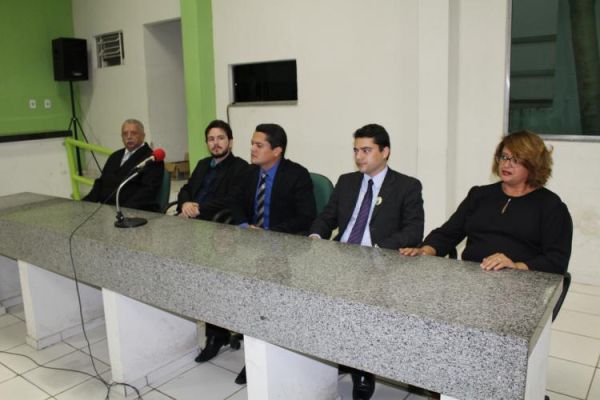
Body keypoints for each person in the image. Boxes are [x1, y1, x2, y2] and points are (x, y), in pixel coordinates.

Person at [309, 123, 424, 400]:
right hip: (342, 256)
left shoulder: (407, 186)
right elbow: (328, 216)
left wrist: (374, 250)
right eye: (356, 150)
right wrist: (315, 236)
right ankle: (338, 355)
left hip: (379, 262)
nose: (359, 156)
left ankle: (363, 370)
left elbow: (413, 231)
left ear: (385, 152)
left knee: (362, 302)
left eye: (366, 150)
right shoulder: (347, 181)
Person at [202, 123, 317, 384]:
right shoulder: (250, 172)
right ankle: (217, 335)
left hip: (282, 248)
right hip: (249, 242)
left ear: (277, 150)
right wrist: (244, 225)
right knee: (216, 273)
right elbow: (234, 202)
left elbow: (306, 217)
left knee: (260, 295)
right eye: (252, 144)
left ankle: (257, 359)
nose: (252, 149)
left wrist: (268, 233)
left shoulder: (297, 175)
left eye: (259, 145)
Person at [400, 130, 572, 276]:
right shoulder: (480, 195)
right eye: (504, 157)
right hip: (472, 279)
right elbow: (447, 234)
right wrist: (425, 251)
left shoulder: (550, 206)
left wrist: (516, 266)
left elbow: (556, 260)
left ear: (533, 164)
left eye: (515, 159)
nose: (506, 164)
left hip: (519, 283)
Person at [83, 119, 164, 212]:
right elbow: (101, 182)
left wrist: (121, 211)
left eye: (134, 133)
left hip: (133, 212)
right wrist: (86, 204)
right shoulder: (115, 156)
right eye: (125, 134)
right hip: (106, 210)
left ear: (143, 136)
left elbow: (148, 192)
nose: (129, 137)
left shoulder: (152, 159)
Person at [176, 120, 248, 221]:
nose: (215, 143)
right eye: (211, 139)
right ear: (206, 144)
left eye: (221, 138)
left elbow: (232, 199)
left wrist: (198, 209)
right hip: (188, 217)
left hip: (214, 221)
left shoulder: (240, 167)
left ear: (230, 142)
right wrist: (185, 204)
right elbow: (187, 189)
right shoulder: (202, 164)